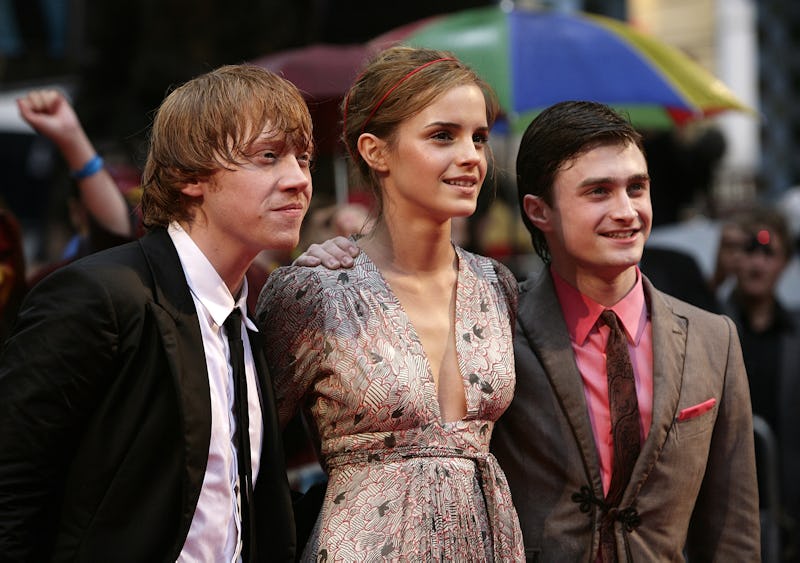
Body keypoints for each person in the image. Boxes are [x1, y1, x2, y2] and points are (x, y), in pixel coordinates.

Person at [297, 100, 761, 561]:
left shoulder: (713, 339)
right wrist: (342, 257)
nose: (626, 211)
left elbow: (732, 531)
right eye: (598, 192)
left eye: (636, 188)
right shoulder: (492, 326)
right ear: (540, 211)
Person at [0, 63, 313, 561]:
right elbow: (12, 490)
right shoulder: (98, 297)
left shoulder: (252, 322)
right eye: (269, 156)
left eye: (303, 158)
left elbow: (241, 507)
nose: (297, 179)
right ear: (190, 178)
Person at [255, 46, 524, 561]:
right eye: (443, 135)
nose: (471, 155)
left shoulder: (497, 285)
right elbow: (247, 452)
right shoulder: (315, 290)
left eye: (480, 137)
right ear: (376, 151)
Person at [721, 205, 800, 562]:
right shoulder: (712, 328)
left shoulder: (794, 333)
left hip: (788, 507)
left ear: (785, 262)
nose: (757, 264)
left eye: (769, 253)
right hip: (727, 506)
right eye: (749, 250)